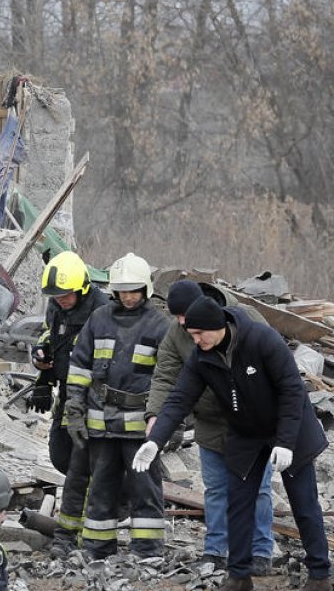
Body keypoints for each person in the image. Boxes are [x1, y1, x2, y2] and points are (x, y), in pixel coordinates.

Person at [135, 297, 330, 591]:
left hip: (291, 429)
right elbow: (179, 399)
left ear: (218, 327)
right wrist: (156, 439)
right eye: (192, 335)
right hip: (246, 432)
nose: (196, 340)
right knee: (238, 502)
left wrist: (286, 442)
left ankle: (319, 574)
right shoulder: (202, 356)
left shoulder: (261, 340)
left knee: (303, 503)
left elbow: (292, 390)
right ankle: (239, 575)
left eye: (200, 334)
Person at [146, 280, 274, 574]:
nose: (181, 323)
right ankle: (215, 550)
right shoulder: (177, 332)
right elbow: (165, 376)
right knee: (216, 490)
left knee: (260, 489)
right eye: (176, 317)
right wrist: (155, 415)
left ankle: (261, 552)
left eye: (184, 316)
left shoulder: (246, 318)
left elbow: (275, 364)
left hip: (252, 425)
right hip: (210, 423)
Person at [64, 252, 169, 559]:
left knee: (145, 490)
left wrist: (169, 425)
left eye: (134, 290)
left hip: (140, 430)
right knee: (100, 489)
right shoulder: (99, 319)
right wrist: (74, 409)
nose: (128, 296)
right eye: (122, 291)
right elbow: (80, 367)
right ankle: (97, 548)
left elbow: (169, 379)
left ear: (146, 290)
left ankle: (147, 551)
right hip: (101, 425)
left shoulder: (159, 326)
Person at [29, 251, 109, 555]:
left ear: (83, 288)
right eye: (55, 296)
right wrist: (43, 374)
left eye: (65, 295)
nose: (59, 300)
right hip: (66, 393)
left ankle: (91, 523)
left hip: (93, 398)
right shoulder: (57, 307)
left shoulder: (101, 312)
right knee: (60, 454)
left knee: (83, 462)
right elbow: (52, 337)